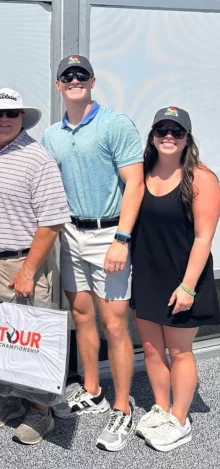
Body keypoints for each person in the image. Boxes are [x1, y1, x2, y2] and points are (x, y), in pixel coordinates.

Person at [41, 55, 145, 452]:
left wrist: (122, 238)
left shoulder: (114, 124)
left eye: (80, 75)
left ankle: (122, 407)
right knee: (82, 316)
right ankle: (92, 390)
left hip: (108, 235)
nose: (74, 80)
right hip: (70, 233)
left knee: (115, 325)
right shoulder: (52, 135)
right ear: (58, 86)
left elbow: (133, 184)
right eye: (67, 76)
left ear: (92, 81)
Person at [0, 89, 71, 445]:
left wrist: (28, 270)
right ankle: (10, 398)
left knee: (32, 339)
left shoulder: (37, 158)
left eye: (11, 113)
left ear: (22, 118)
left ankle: (41, 411)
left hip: (24, 263)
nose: (4, 118)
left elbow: (52, 221)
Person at [131, 107, 220, 451]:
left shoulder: (201, 178)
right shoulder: (143, 173)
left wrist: (187, 286)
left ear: (187, 139)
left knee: (180, 351)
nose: (169, 136)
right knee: (152, 350)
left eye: (177, 131)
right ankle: (162, 407)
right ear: (153, 136)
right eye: (162, 130)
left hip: (184, 279)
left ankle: (180, 420)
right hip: (147, 276)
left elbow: (203, 238)